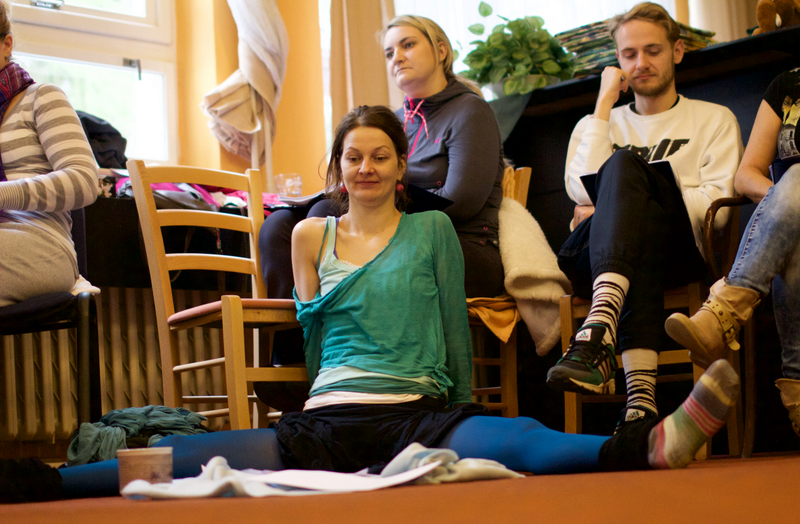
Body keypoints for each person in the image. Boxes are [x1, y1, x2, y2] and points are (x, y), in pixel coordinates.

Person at [49, 106, 740, 500]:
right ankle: (42, 484)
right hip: (329, 417)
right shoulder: (309, 235)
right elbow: (313, 340)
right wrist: (310, 409)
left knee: (523, 437)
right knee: (182, 455)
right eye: (354, 157)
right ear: (338, 167)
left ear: (400, 165)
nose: (367, 167)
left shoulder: (432, 229)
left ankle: (646, 445)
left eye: (380, 155)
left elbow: (452, 333)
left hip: (417, 414)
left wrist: (460, 412)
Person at [254, 14, 505, 404]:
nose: (396, 57)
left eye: (407, 45)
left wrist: (382, 196)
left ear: (441, 50)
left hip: (459, 244)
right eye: (389, 52)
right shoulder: (398, 120)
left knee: (324, 212)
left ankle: (314, 372)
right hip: (386, 232)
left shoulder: (470, 111)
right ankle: (293, 356)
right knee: (280, 225)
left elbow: (463, 199)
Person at [546, 2, 743, 430]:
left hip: (681, 251)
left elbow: (718, 207)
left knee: (626, 177)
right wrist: (603, 103)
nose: (641, 63)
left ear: (677, 51)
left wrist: (627, 199)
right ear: (617, 61)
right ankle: (639, 406)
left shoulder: (714, 119)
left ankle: (601, 333)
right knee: (630, 200)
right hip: (594, 255)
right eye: (629, 54)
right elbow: (579, 189)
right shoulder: (596, 123)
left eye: (652, 51)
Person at [665, 68, 800, 437]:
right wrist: (789, 206)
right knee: (795, 190)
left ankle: (721, 315)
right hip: (790, 225)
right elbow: (746, 174)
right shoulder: (789, 85)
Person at [0, 0, 99, 308]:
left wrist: (2, 194)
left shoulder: (41, 98)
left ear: (6, 45)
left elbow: (84, 181)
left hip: (40, 244)